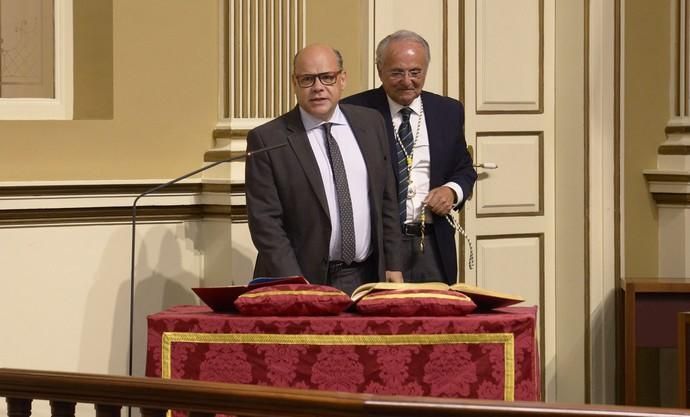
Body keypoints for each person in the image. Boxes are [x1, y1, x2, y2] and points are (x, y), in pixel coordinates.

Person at [245, 43, 403, 295]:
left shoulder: (371, 123)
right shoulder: (268, 139)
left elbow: (387, 199)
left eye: (327, 77)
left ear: (342, 79)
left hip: (367, 276)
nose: (318, 87)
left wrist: (394, 263)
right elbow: (266, 224)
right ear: (294, 84)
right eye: (307, 79)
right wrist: (293, 282)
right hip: (302, 279)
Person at [342, 30, 477, 284]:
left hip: (433, 244)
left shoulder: (447, 111)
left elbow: (464, 169)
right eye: (397, 72)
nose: (407, 81)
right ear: (379, 70)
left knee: (436, 321)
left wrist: (451, 191)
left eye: (416, 72)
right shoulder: (354, 111)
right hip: (377, 247)